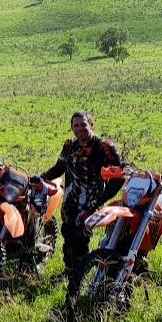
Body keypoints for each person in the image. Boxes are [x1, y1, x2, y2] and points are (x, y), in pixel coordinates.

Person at [36, 111, 124, 282]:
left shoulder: (104, 147)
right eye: (75, 125)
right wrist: (41, 177)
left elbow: (118, 177)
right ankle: (69, 272)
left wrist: (100, 201)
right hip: (70, 202)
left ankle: (78, 278)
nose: (80, 128)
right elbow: (59, 167)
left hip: (90, 203)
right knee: (68, 237)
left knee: (80, 240)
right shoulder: (69, 145)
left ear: (91, 125)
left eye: (83, 124)